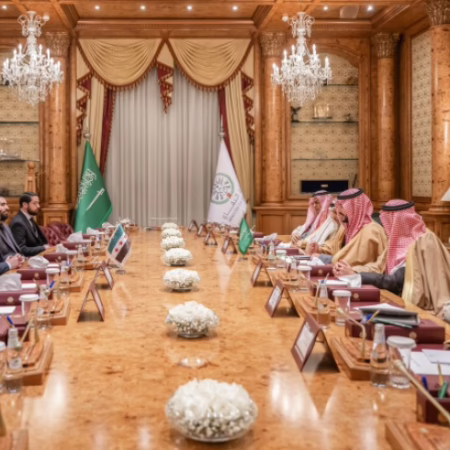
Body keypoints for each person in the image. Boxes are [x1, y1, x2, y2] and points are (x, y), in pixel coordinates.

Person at [336, 200, 450, 317]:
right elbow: (378, 267)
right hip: (396, 297)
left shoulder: (422, 242)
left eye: (389, 222)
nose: (386, 227)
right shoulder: (396, 242)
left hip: (416, 306)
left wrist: (358, 277)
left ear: (398, 221)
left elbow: (395, 281)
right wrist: (353, 271)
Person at [312, 188, 388, 272]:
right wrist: (318, 249)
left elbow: (349, 262)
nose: (338, 210)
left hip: (360, 277)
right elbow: (333, 248)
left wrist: (321, 257)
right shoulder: (345, 227)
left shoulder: (371, 231)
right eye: (338, 205)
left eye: (343, 206)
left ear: (356, 208)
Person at [11, 192, 49, 257]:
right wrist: (43, 248)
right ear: (25, 205)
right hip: (28, 260)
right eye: (34, 203)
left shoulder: (30, 218)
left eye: (38, 203)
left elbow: (40, 241)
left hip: (39, 257)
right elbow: (21, 249)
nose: (38, 206)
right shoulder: (18, 223)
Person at [0, 197, 24, 274]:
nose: (7, 208)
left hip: (13, 274)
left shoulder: (6, 227)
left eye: (6, 204)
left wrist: (19, 258)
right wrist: (8, 264)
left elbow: (15, 252)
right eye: (2, 205)